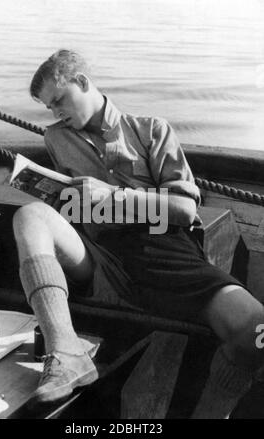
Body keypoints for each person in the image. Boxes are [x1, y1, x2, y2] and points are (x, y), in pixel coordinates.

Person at [13, 49, 264, 418]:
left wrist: (112, 195)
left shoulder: (152, 130)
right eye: (49, 107)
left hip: (167, 255)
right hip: (102, 256)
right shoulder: (57, 139)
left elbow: (184, 209)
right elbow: (75, 209)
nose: (56, 114)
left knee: (257, 330)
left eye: (59, 101)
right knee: (30, 215)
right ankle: (66, 354)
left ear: (82, 82)